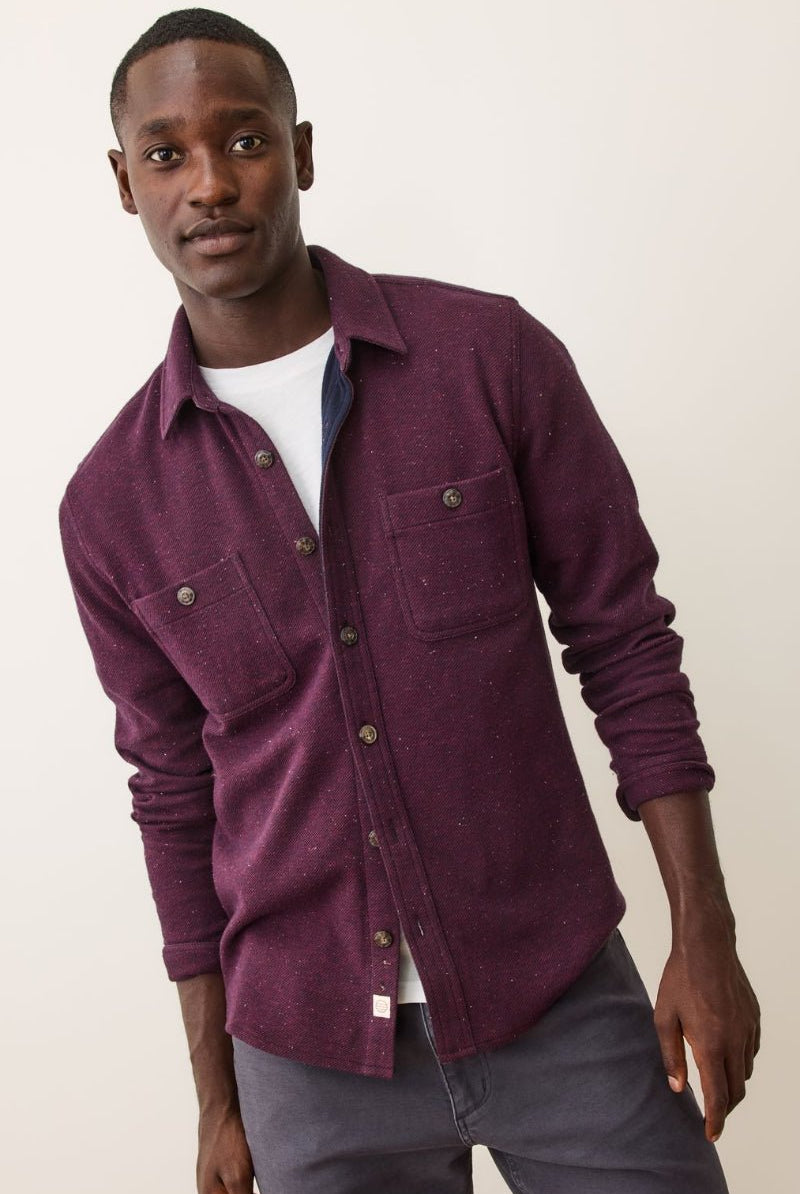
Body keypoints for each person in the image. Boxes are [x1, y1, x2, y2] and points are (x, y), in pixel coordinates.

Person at [58, 8, 760, 1193]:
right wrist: (216, 1104)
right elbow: (174, 799)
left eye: (246, 140)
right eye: (167, 154)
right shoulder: (111, 504)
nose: (212, 184)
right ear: (123, 183)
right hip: (307, 1063)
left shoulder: (488, 359)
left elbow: (624, 644)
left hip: (558, 998)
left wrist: (706, 939)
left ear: (305, 151)